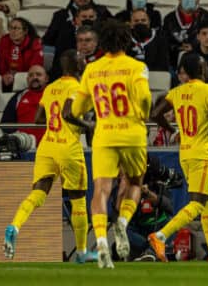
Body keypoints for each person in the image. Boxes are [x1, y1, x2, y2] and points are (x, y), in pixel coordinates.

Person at [66, 20, 152, 269]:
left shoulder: (92, 69)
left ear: (101, 42)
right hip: (132, 134)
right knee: (135, 182)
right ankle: (122, 223)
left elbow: (77, 109)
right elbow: (145, 97)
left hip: (104, 135)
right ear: (127, 41)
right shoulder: (137, 66)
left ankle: (101, 239)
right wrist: (143, 113)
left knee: (101, 189)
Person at [3, 50, 95, 263]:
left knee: (38, 193)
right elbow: (68, 114)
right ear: (75, 65)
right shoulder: (77, 87)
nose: (85, 61)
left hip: (47, 146)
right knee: (78, 200)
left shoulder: (51, 88)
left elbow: (38, 119)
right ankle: (81, 252)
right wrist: (88, 125)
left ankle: (14, 226)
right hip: (68, 148)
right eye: (82, 59)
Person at [148, 53, 208, 263]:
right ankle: (161, 236)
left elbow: (155, 114)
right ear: (201, 69)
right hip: (202, 154)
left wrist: (172, 130)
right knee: (197, 203)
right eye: (204, 65)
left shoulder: (176, 92)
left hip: (185, 152)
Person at [162, 0, 208, 66]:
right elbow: (164, 42)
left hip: (202, 60)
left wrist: (195, 48)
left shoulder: (207, 17)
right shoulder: (169, 18)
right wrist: (178, 48)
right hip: (174, 61)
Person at [45, 4, 98, 80]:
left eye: (91, 17)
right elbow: (59, 63)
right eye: (84, 17)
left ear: (96, 18)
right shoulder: (65, 37)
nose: (87, 20)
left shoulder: (103, 37)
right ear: (76, 19)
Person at [1, 65, 48, 144]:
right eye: (31, 75)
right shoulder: (18, 97)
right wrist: (18, 137)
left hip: (49, 143)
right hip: (24, 145)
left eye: (38, 75)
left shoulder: (54, 94)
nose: (34, 77)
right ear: (27, 79)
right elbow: (5, 123)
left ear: (46, 79)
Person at [0, 17, 43, 91]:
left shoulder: (35, 44)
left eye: (16, 28)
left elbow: (35, 68)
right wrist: (4, 75)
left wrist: (16, 77)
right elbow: (1, 63)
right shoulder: (4, 40)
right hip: (7, 79)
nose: (12, 31)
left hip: (25, 78)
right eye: (10, 28)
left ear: (25, 31)